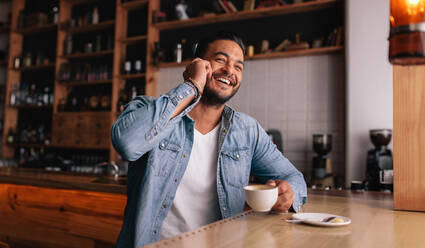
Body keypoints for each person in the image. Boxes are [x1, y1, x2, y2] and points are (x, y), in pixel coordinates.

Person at [111, 31, 307, 248]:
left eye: (238, 66)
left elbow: (293, 177)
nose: (229, 71)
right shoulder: (148, 110)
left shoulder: (247, 130)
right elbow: (127, 144)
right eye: (220, 60)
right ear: (198, 64)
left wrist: (289, 194)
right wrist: (192, 86)